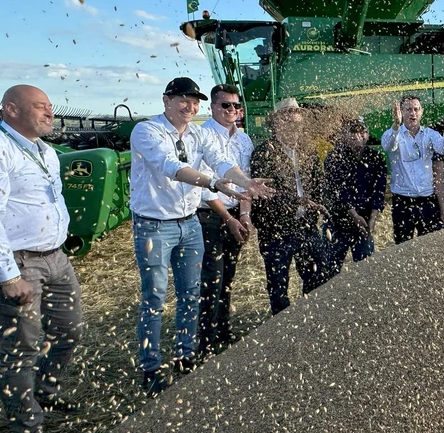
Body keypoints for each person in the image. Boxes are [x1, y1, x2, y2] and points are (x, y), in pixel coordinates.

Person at [129, 77, 272, 396]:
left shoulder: (197, 133)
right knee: (154, 295)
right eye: (182, 99)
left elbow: (223, 162)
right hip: (154, 224)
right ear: (166, 100)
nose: (189, 106)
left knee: (192, 292)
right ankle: (151, 367)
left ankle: (184, 355)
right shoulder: (147, 131)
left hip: (189, 222)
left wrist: (245, 184)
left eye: (194, 101)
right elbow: (171, 167)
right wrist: (215, 184)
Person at [0, 85, 83, 431]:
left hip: (56, 257)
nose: (50, 113)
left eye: (50, 107)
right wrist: (8, 276)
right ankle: (25, 423)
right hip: (20, 262)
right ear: (11, 110)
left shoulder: (45, 151)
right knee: (22, 348)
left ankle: (45, 390)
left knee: (69, 330)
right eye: (41, 107)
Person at [250, 98, 330, 314]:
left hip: (306, 226)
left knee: (318, 277)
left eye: (297, 121)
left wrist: (320, 204)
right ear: (277, 123)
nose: (294, 126)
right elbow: (265, 193)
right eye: (288, 120)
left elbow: (319, 183)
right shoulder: (263, 152)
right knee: (278, 285)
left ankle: (312, 320)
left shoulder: (309, 151)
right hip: (276, 230)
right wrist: (299, 201)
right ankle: (281, 331)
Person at [196, 84, 254, 358]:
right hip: (211, 215)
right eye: (225, 105)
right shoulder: (202, 136)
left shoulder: (244, 140)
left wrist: (244, 214)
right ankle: (206, 341)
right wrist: (229, 218)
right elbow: (205, 188)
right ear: (213, 107)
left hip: (234, 215)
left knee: (228, 277)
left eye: (236, 106)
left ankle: (223, 331)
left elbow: (247, 182)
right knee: (211, 278)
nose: (232, 110)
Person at [381, 96, 444, 244]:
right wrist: (396, 125)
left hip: (427, 200)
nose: (412, 113)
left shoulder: (429, 134)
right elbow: (388, 146)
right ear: (401, 112)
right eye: (408, 109)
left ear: (422, 112)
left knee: (428, 246)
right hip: (403, 200)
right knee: (402, 247)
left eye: (416, 109)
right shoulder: (393, 134)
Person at [323, 117, 387, 266]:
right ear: (345, 134)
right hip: (338, 222)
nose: (359, 136)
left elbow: (379, 191)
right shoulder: (334, 158)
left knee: (366, 270)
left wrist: (372, 218)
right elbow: (338, 190)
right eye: (354, 131)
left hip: (364, 223)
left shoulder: (376, 158)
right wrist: (354, 215)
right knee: (329, 270)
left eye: (363, 131)